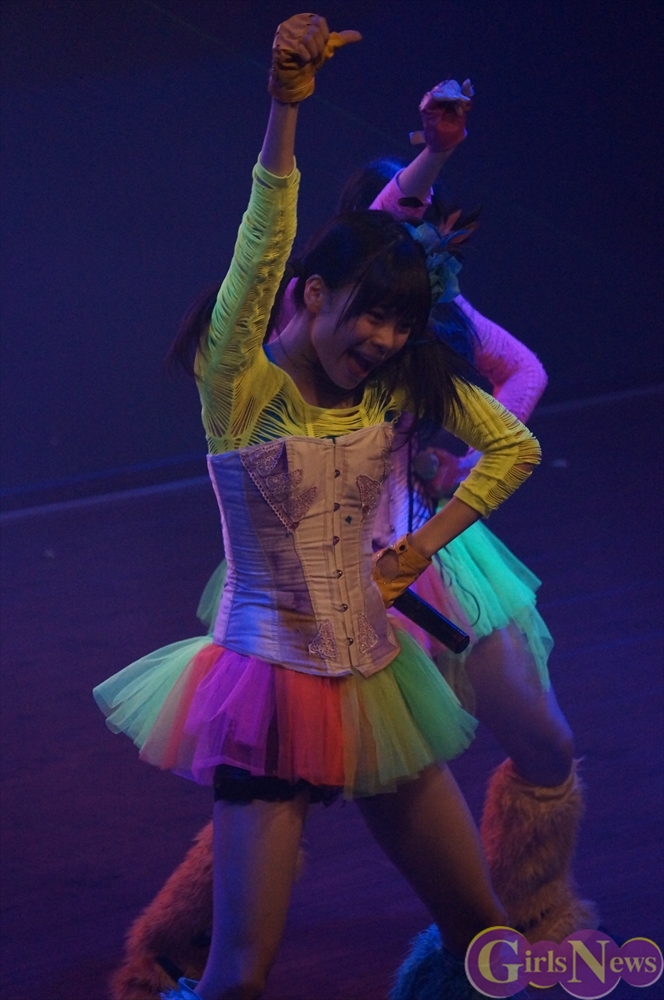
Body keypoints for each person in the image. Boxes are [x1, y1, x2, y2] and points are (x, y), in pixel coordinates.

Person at [95, 16, 542, 1000]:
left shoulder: (395, 379)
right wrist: (285, 107)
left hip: (379, 684)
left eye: (400, 323)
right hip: (266, 691)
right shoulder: (241, 385)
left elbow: (515, 443)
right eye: (368, 313)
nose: (381, 338)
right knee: (238, 976)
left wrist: (419, 546)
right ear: (308, 295)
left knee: (483, 936)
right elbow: (263, 239)